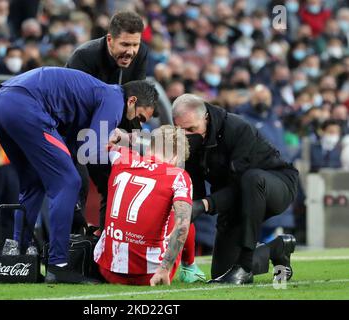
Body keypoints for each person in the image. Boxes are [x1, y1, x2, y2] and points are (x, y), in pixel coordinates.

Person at [0, 66, 158, 284]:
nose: (139, 124)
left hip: (1, 104)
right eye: (141, 117)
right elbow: (92, 151)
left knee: (34, 185)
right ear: (132, 101)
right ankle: (59, 265)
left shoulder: (97, 95)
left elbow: (78, 148)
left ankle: (17, 256)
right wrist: (129, 158)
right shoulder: (115, 98)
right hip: (25, 105)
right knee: (68, 182)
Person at [172, 94, 299, 285]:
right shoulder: (189, 142)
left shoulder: (238, 128)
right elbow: (195, 190)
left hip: (276, 184)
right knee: (221, 272)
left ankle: (245, 267)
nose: (187, 135)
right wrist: (189, 207)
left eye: (191, 129)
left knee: (252, 178)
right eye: (181, 130)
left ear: (205, 118)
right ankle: (277, 248)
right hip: (234, 199)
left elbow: (241, 185)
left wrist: (205, 205)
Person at [66, 11, 148, 229]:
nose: (131, 51)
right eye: (125, 44)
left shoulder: (141, 54)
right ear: (109, 39)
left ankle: (108, 243)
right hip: (77, 130)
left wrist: (130, 134)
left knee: (116, 183)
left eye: (135, 45)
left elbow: (134, 98)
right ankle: (72, 248)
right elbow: (72, 106)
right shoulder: (84, 57)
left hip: (113, 128)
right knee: (76, 185)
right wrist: (103, 134)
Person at [94, 125, 193, 286]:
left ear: (150, 148)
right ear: (175, 157)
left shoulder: (122, 157)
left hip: (107, 270)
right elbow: (182, 226)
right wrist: (164, 269)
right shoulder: (178, 175)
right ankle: (191, 266)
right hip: (149, 275)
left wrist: (121, 136)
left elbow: (105, 143)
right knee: (182, 213)